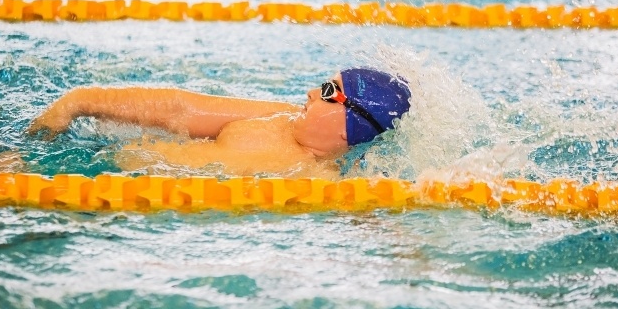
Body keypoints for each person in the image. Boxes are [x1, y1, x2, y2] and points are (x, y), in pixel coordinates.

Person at [28, 67, 411, 177]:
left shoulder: (323, 182)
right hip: (88, 159)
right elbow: (182, 111)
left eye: (329, 90)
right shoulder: (279, 117)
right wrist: (83, 101)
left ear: (352, 124)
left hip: (98, 189)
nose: (312, 91)